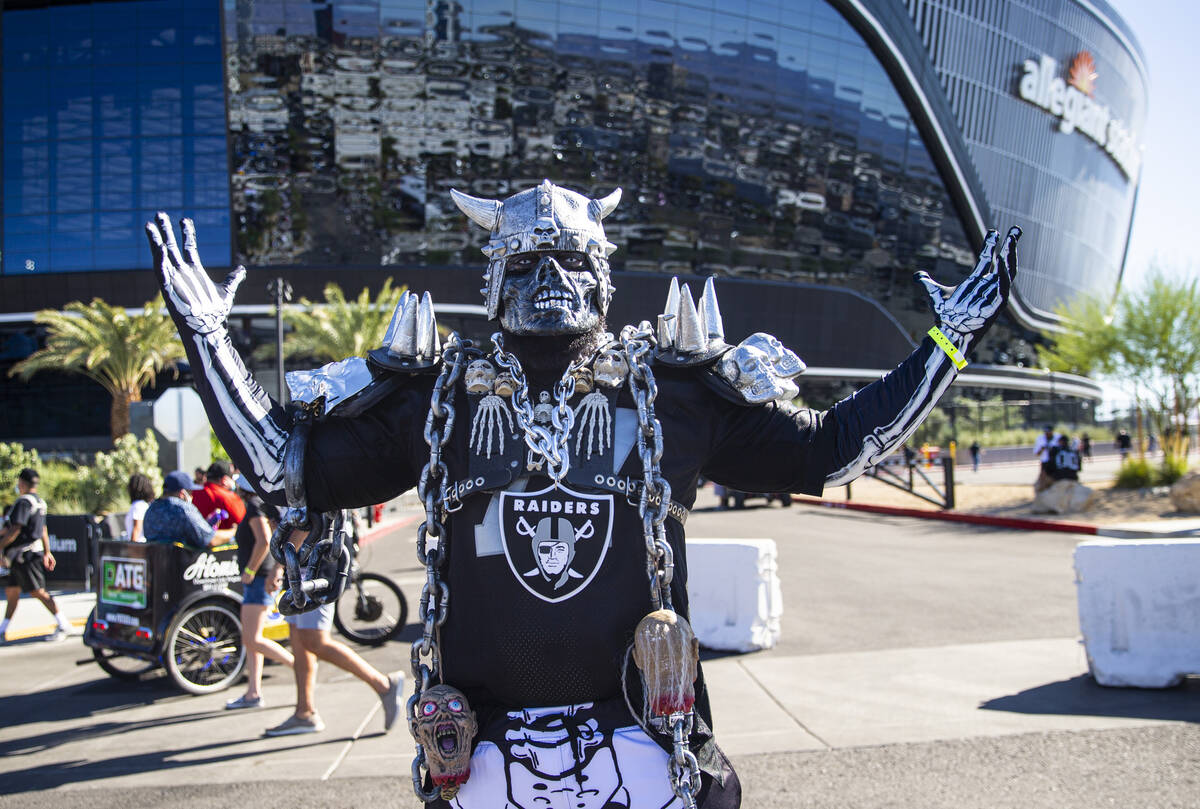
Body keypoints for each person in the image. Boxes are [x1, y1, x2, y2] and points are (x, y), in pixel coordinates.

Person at [147, 184, 1019, 807]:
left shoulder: (672, 391)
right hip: (482, 750)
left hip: (648, 746)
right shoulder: (432, 400)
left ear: (605, 276)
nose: (551, 279)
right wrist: (207, 335)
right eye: (527, 261)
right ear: (492, 281)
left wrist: (949, 337)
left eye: (570, 258)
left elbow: (831, 451)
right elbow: (282, 464)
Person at [264, 598, 404, 736]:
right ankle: (304, 711)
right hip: (298, 580)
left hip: (312, 581)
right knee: (298, 639)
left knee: (314, 641)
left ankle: (382, 684)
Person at [225, 475, 294, 711]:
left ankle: (299, 665)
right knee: (254, 639)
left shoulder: (254, 506)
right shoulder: (260, 505)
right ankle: (253, 692)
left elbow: (264, 541)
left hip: (257, 578)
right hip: (260, 577)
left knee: (251, 638)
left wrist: (249, 570)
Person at [0, 468, 71, 643]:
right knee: (12, 592)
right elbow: (44, 530)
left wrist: (0, 546)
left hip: (26, 555)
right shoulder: (40, 502)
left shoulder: (24, 502)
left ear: (22, 483)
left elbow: (15, 529)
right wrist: (47, 551)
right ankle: (3, 629)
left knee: (38, 591)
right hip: (24, 555)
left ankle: (63, 623)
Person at [143, 470, 236, 548]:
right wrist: (234, 531)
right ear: (183, 494)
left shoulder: (151, 509)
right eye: (191, 493)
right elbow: (210, 540)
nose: (192, 496)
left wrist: (204, 524)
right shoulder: (183, 509)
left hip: (155, 566)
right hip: (182, 566)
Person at [190, 460, 246, 531]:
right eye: (231, 477)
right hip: (225, 540)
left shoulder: (194, 493)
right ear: (224, 480)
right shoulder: (230, 498)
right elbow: (243, 526)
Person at [124, 473, 156, 542]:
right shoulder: (144, 505)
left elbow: (137, 528)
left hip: (138, 548)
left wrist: (131, 548)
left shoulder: (138, 506)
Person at [1033, 424, 1056, 491]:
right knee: (1043, 478)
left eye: (1048, 432)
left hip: (1054, 462)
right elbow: (1037, 454)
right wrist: (1042, 449)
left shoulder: (1057, 438)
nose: (1046, 434)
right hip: (1045, 462)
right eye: (1045, 432)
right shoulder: (1040, 439)